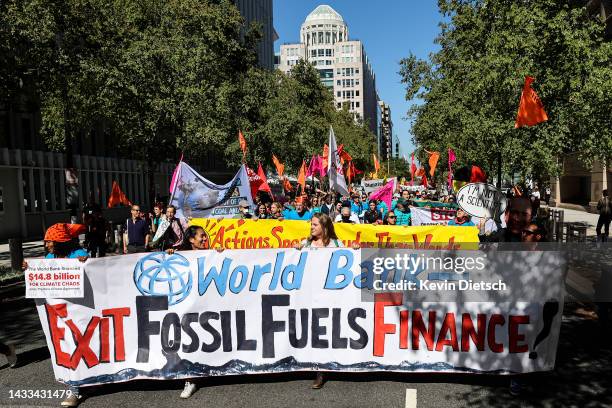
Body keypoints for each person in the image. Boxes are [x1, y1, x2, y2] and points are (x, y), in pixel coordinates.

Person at [23, 223, 88, 406]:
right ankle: (74, 389)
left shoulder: (78, 254)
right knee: (67, 348)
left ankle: (86, 380)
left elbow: (95, 277)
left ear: (58, 241)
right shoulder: (50, 257)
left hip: (81, 313)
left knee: (81, 347)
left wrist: (87, 263)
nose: (46, 245)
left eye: (48, 241)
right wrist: (29, 268)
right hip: (60, 313)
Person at [295, 213, 343, 389]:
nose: (312, 227)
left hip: (331, 296)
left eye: (315, 225)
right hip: (310, 295)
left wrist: (354, 249)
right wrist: (294, 252)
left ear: (324, 227)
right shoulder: (306, 244)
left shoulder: (336, 245)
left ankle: (327, 366)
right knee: (315, 330)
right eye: (311, 225)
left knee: (328, 330)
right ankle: (319, 370)